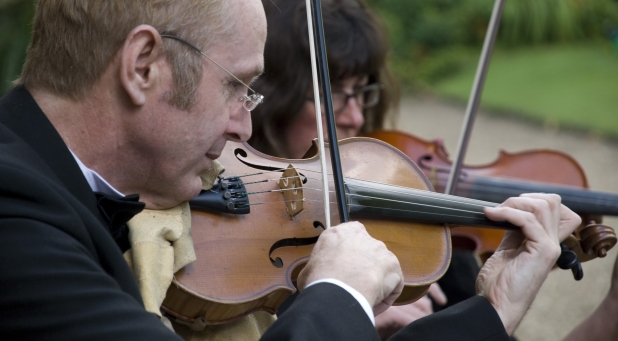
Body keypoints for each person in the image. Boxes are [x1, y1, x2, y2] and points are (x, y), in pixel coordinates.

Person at [0, 0, 581, 340]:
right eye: (236, 86)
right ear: (144, 65)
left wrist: (495, 307)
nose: (245, 129)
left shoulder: (57, 190)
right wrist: (336, 293)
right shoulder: (16, 216)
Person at [248, 0, 478, 338]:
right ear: (273, 96)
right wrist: (349, 315)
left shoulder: (424, 245)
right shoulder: (239, 239)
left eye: (359, 92)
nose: (355, 117)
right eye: (332, 93)